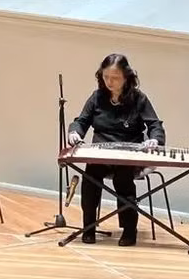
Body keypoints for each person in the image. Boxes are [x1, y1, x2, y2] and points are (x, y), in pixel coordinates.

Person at [67, 54, 165, 247]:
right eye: (105, 77)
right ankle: (89, 227)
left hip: (127, 153)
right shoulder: (97, 97)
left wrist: (155, 139)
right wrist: (74, 132)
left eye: (115, 78)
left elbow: (155, 125)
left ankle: (129, 230)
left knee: (123, 179)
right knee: (90, 178)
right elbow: (81, 121)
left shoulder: (138, 99)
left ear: (126, 77)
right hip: (101, 151)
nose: (109, 82)